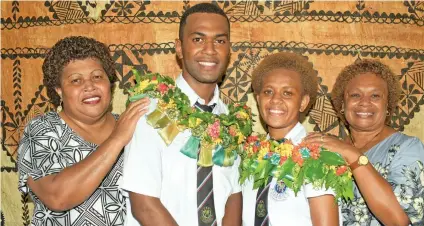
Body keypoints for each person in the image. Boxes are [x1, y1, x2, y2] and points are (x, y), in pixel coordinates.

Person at [122, 3, 242, 226]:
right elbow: (144, 205)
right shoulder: (150, 110)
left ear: (229, 49)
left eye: (220, 40)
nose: (210, 49)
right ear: (179, 47)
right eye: (198, 39)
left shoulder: (231, 120)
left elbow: (233, 194)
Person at [17, 36, 149, 225]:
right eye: (76, 80)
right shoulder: (42, 129)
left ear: (110, 84)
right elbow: (57, 197)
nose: (89, 86)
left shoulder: (135, 127)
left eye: (97, 77)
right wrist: (117, 139)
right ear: (59, 90)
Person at [304, 59, 424, 225]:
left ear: (388, 105)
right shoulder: (328, 151)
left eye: (375, 96)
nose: (364, 102)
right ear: (342, 104)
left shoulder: (407, 148)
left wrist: (353, 155)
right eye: (355, 95)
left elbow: (398, 221)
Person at [242, 52, 342, 226]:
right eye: (268, 91)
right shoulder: (251, 156)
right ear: (258, 99)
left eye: (287, 93)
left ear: (303, 102)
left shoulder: (317, 156)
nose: (275, 100)